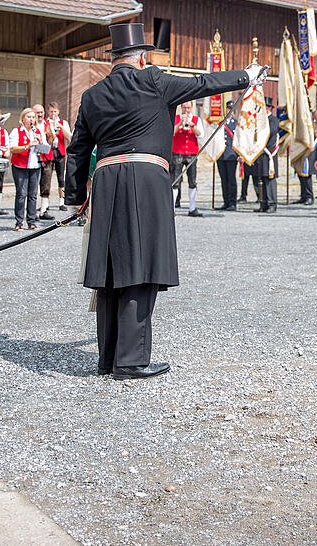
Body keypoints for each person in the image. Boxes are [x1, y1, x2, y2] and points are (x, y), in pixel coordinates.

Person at [64, 22, 260, 380]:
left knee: (110, 270)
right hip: (145, 180)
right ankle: (131, 361)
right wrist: (246, 76)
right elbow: (203, 84)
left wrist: (75, 198)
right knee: (140, 268)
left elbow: (77, 151)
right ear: (142, 58)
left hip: (106, 183)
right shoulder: (153, 80)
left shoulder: (91, 95)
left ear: (115, 59)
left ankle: (107, 358)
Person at [9, 106, 44, 231]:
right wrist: (27, 146)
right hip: (20, 166)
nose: (31, 119)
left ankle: (32, 221)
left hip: (35, 165)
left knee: (33, 195)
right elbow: (12, 148)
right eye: (29, 117)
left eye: (33, 117)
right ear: (23, 119)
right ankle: (19, 222)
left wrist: (41, 143)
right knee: (21, 194)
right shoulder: (16, 131)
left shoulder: (38, 131)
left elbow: (45, 150)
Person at [171, 100, 204, 217]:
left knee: (192, 180)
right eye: (184, 108)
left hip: (191, 153)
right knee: (175, 181)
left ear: (191, 108)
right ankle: (172, 208)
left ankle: (192, 208)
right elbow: (170, 133)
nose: (186, 110)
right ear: (181, 107)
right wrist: (180, 123)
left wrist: (192, 125)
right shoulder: (175, 118)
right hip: (177, 153)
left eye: (188, 108)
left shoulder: (196, 119)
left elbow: (201, 134)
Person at [253, 96, 280, 214]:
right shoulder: (258, 120)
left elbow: (271, 131)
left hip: (269, 154)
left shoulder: (273, 120)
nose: (266, 109)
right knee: (261, 180)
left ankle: (272, 203)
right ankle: (263, 203)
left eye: (267, 107)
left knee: (269, 180)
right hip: (261, 154)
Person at [33, 103, 58, 220]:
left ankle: (44, 210)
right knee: (32, 186)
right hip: (33, 157)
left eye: (41, 112)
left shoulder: (48, 124)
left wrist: (50, 135)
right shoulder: (30, 125)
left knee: (46, 184)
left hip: (46, 157)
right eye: (37, 113)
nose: (40, 115)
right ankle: (31, 211)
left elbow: (54, 141)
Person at [46, 103, 72, 212]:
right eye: (51, 112)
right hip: (49, 151)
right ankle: (45, 203)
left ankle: (62, 202)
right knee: (46, 178)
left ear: (58, 112)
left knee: (61, 178)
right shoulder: (45, 123)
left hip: (60, 151)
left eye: (55, 112)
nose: (53, 114)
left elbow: (69, 138)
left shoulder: (63, 123)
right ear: (48, 112)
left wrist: (61, 128)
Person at [217, 101, 239, 211]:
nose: (229, 110)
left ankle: (232, 202)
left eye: (231, 108)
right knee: (223, 179)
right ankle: (225, 201)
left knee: (231, 179)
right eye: (228, 108)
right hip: (221, 154)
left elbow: (238, 140)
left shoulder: (236, 123)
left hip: (231, 155)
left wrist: (239, 154)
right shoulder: (219, 122)